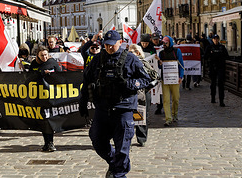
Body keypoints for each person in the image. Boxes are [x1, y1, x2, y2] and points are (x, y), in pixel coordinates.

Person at [79, 30, 153, 178]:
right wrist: (83, 101)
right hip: (102, 109)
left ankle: (119, 173)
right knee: (97, 139)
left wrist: (129, 84)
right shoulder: (97, 59)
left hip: (123, 109)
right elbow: (86, 80)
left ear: (120, 43)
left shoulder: (131, 59)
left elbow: (147, 79)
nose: (109, 48)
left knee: (122, 147)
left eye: (112, 45)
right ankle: (115, 164)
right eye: (106, 45)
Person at [29, 45, 62, 152]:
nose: (44, 57)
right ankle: (46, 142)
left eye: (46, 55)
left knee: (48, 120)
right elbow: (30, 77)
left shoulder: (52, 63)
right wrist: (41, 73)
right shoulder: (34, 64)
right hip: (38, 96)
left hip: (51, 96)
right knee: (43, 121)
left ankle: (50, 142)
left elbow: (61, 77)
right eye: (42, 55)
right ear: (37, 55)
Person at [128, 44, 159, 147]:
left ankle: (141, 138)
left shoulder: (143, 63)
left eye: (131, 52)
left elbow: (154, 76)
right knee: (128, 116)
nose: (129, 54)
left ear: (137, 53)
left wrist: (145, 87)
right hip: (130, 93)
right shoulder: (126, 63)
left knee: (141, 116)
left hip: (143, 94)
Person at [157, 35, 184, 127]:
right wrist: (160, 63)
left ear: (170, 43)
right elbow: (160, 67)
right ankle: (168, 118)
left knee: (176, 98)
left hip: (175, 79)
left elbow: (181, 65)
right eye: (163, 43)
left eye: (166, 43)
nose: (164, 44)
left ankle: (175, 114)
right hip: (165, 79)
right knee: (166, 100)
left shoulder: (177, 51)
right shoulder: (161, 53)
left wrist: (181, 76)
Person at [204, 34, 229, 107]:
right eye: (214, 39)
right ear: (212, 40)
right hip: (212, 67)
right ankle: (213, 97)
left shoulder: (222, 47)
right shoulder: (209, 47)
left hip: (220, 67)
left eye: (217, 39)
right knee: (213, 83)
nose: (216, 40)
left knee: (221, 84)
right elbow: (205, 56)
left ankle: (221, 101)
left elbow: (226, 56)